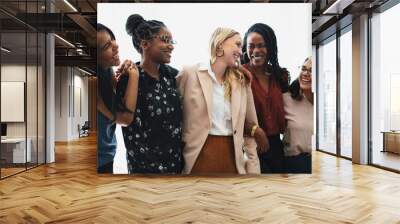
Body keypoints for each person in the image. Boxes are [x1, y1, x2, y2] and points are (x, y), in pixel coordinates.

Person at [176, 27, 260, 174]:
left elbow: (250, 128)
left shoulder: (242, 82)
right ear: (220, 44)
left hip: (233, 162)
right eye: (238, 44)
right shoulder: (189, 74)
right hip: (197, 160)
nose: (241, 52)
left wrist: (253, 169)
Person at [116, 14, 183, 174]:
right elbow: (123, 119)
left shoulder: (174, 76)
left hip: (175, 167)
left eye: (172, 41)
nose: (171, 46)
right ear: (145, 44)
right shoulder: (128, 78)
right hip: (143, 170)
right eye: (165, 40)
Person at [242, 23, 290, 173]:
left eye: (261, 46)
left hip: (276, 146)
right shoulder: (239, 74)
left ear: (270, 47)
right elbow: (231, 112)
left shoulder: (280, 76)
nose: (256, 51)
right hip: (249, 144)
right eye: (251, 46)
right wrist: (256, 131)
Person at [96, 23, 121, 173]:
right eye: (107, 46)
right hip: (100, 157)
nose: (115, 46)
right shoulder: (96, 78)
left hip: (108, 153)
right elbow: (119, 117)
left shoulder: (107, 69)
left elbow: (117, 92)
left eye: (112, 39)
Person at [283, 57, 313, 173]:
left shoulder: (327, 105)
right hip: (293, 164)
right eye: (304, 69)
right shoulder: (285, 99)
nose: (306, 73)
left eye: (311, 71)